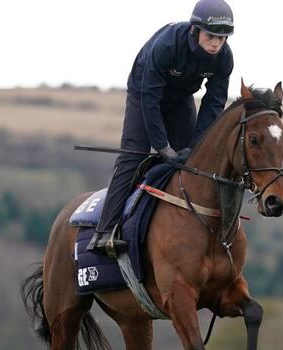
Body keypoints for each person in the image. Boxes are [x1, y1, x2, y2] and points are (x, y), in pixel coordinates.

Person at [88, 0, 235, 256]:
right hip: (144, 93)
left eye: (222, 39)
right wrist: (161, 146)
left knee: (193, 161)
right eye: (211, 36)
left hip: (180, 99)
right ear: (195, 30)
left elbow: (213, 106)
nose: (216, 44)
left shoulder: (224, 59)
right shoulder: (167, 45)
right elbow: (150, 98)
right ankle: (105, 231)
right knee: (132, 156)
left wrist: (194, 147)